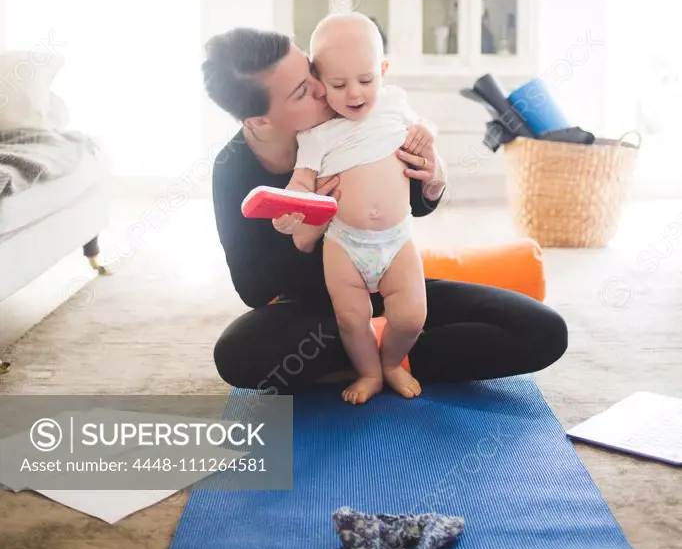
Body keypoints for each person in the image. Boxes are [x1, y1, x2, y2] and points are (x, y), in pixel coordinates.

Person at [203, 26, 568, 395]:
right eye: (302, 91)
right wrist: (306, 238)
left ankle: (390, 356)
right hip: (320, 307)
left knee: (543, 331)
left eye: (312, 71)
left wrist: (434, 178)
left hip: (392, 276)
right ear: (259, 121)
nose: (323, 88)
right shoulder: (233, 169)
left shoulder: (353, 110)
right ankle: (371, 351)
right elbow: (252, 288)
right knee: (237, 354)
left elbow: (412, 202)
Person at [278, 12, 433, 405]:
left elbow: (422, 132)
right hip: (343, 244)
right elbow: (302, 178)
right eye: (338, 84)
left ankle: (394, 361)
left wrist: (427, 135)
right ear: (318, 81)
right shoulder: (316, 133)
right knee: (351, 318)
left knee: (412, 316)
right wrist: (291, 207)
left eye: (366, 80)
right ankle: (369, 372)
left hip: (397, 239)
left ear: (382, 70)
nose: (354, 94)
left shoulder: (395, 103)